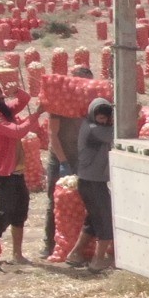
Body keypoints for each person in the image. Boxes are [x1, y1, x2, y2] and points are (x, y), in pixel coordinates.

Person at [0, 84, 35, 273]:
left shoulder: (6, 113)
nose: (2, 97)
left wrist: (16, 91)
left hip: (17, 173)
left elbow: (25, 99)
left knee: (20, 212)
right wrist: (38, 114)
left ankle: (17, 255)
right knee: (1, 215)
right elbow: (18, 131)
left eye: (2, 94)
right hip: (4, 175)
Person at [41, 65, 94, 257]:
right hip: (59, 157)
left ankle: (79, 245)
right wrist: (64, 162)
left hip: (82, 158)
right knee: (54, 201)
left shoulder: (90, 105)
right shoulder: (60, 105)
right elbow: (53, 136)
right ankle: (49, 244)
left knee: (84, 201)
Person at [65, 98, 115, 271]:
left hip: (89, 181)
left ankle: (75, 254)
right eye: (99, 117)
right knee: (105, 220)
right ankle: (98, 261)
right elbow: (116, 133)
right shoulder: (93, 130)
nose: (102, 121)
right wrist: (131, 115)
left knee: (93, 221)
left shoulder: (90, 125)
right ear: (93, 114)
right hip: (93, 183)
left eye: (104, 118)